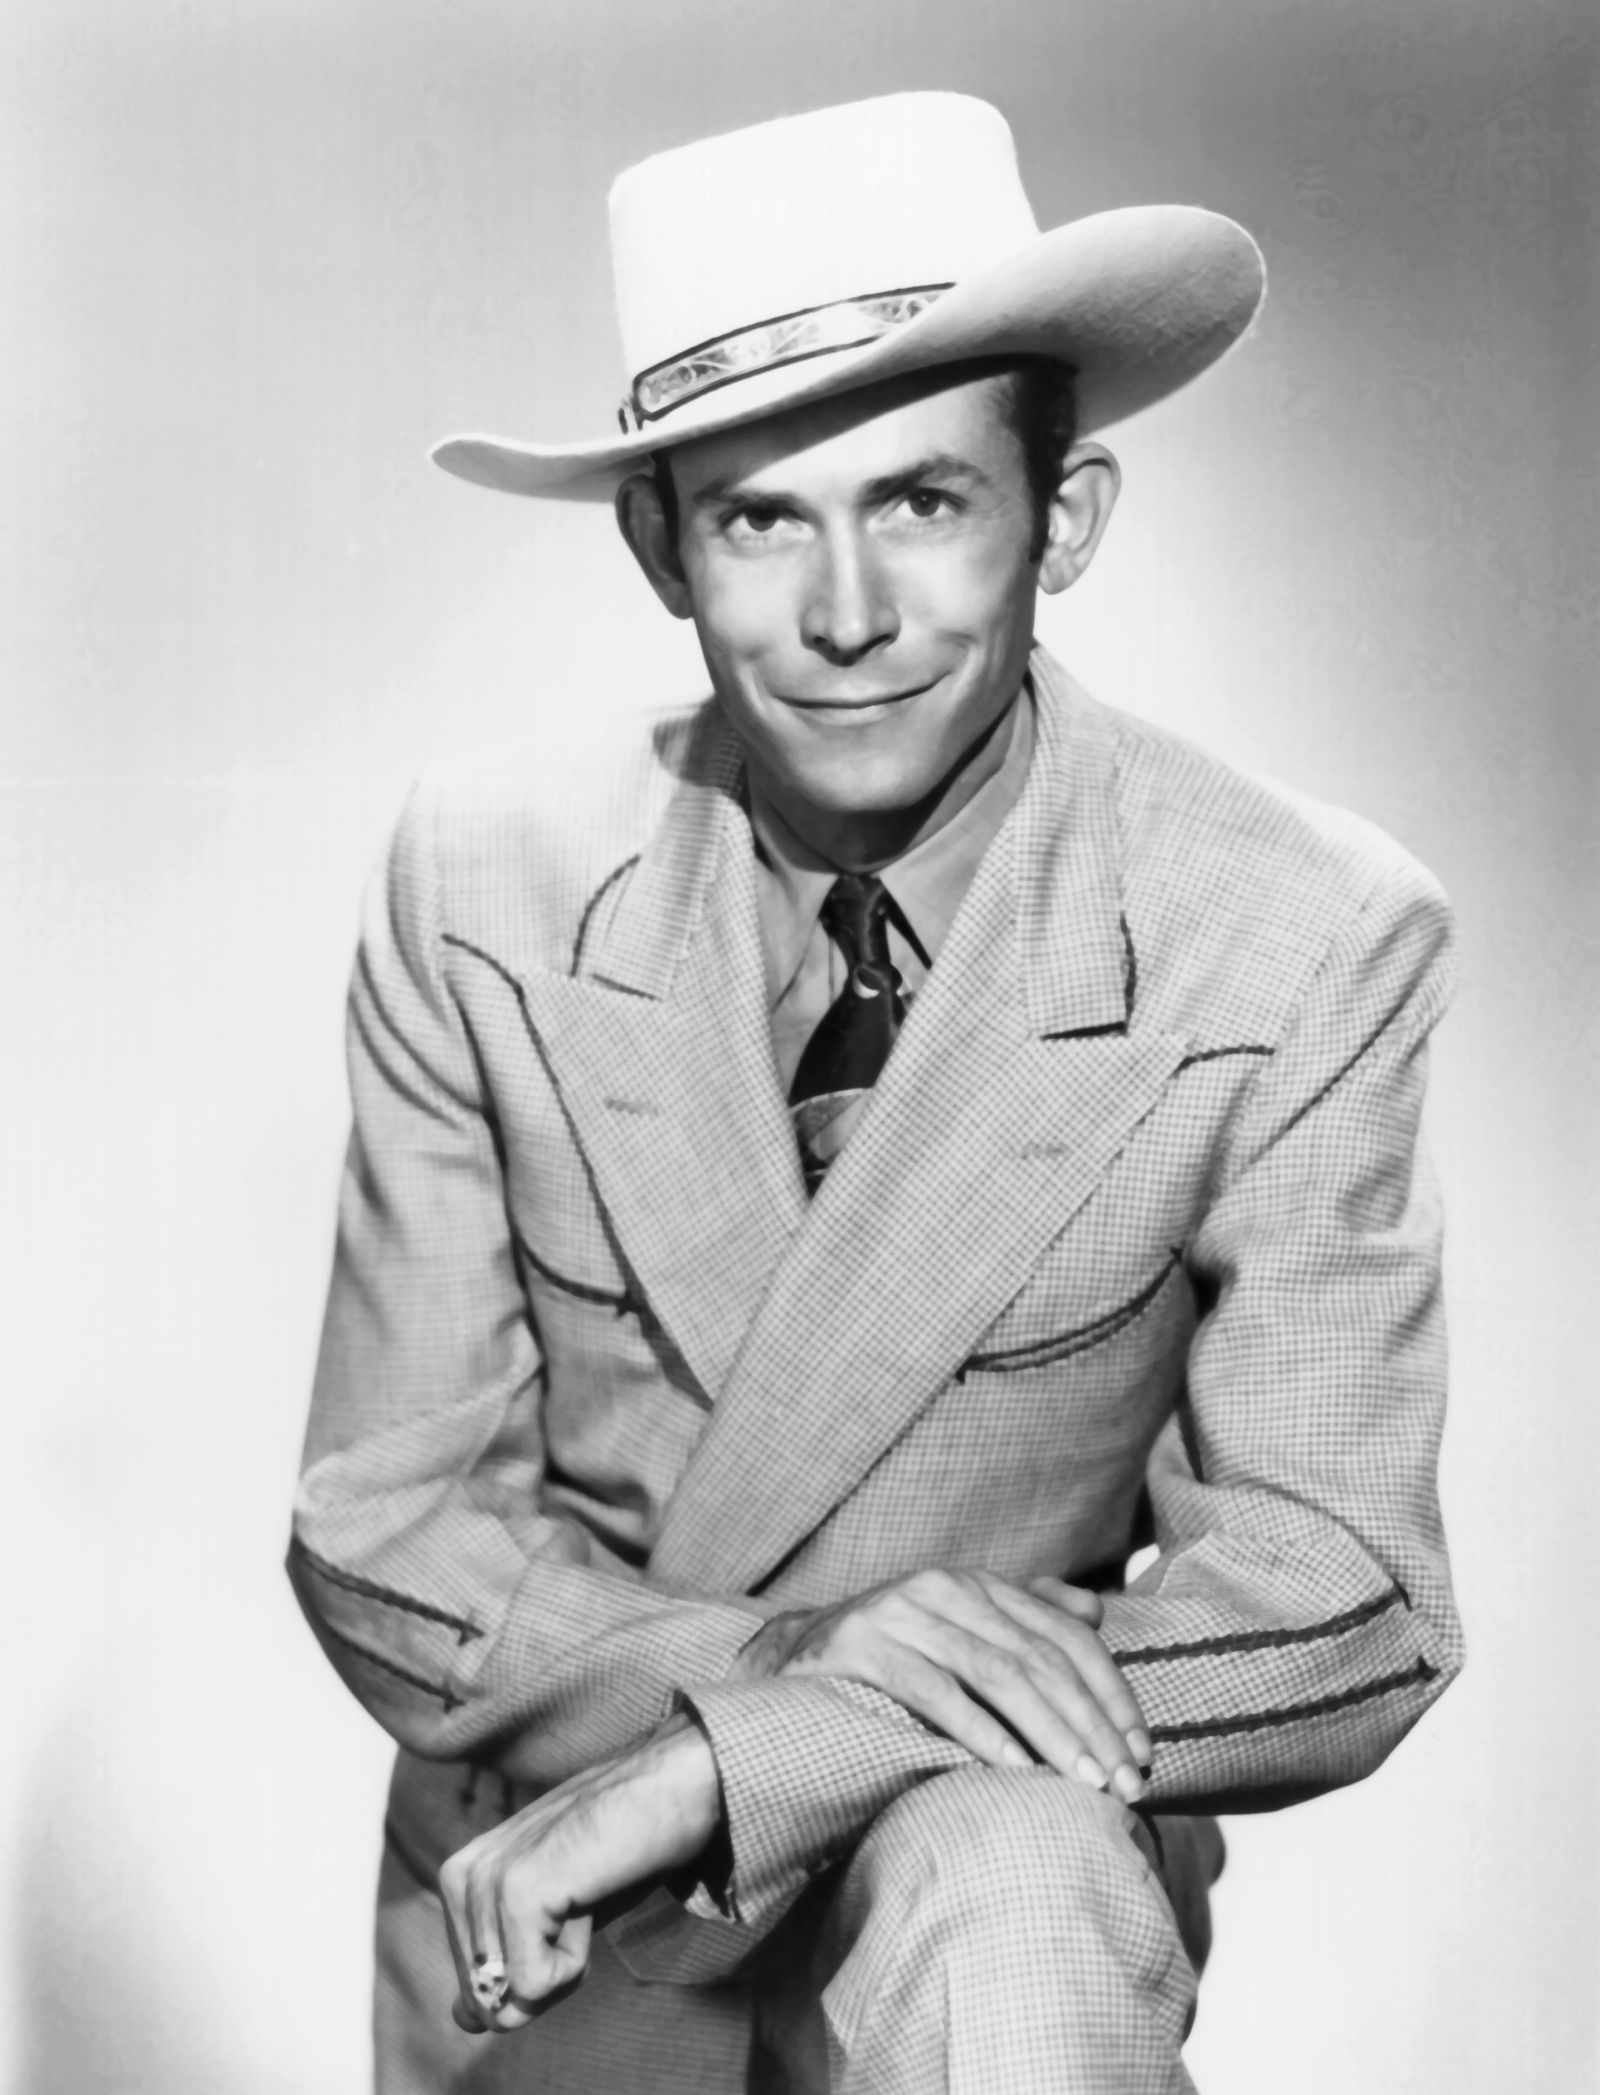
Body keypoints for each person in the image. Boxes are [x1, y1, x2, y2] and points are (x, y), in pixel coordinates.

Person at [289, 92, 1462, 2095]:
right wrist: (771, 1676)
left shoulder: (1294, 931)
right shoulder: (482, 878)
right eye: (762, 517)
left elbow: (1343, 1600)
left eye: (920, 502)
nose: (846, 614)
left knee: (1015, 1885)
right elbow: (386, 1531)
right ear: (661, 548)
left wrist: (777, 1754)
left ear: (1061, 520)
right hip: (559, 1903)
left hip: (992, 1901)